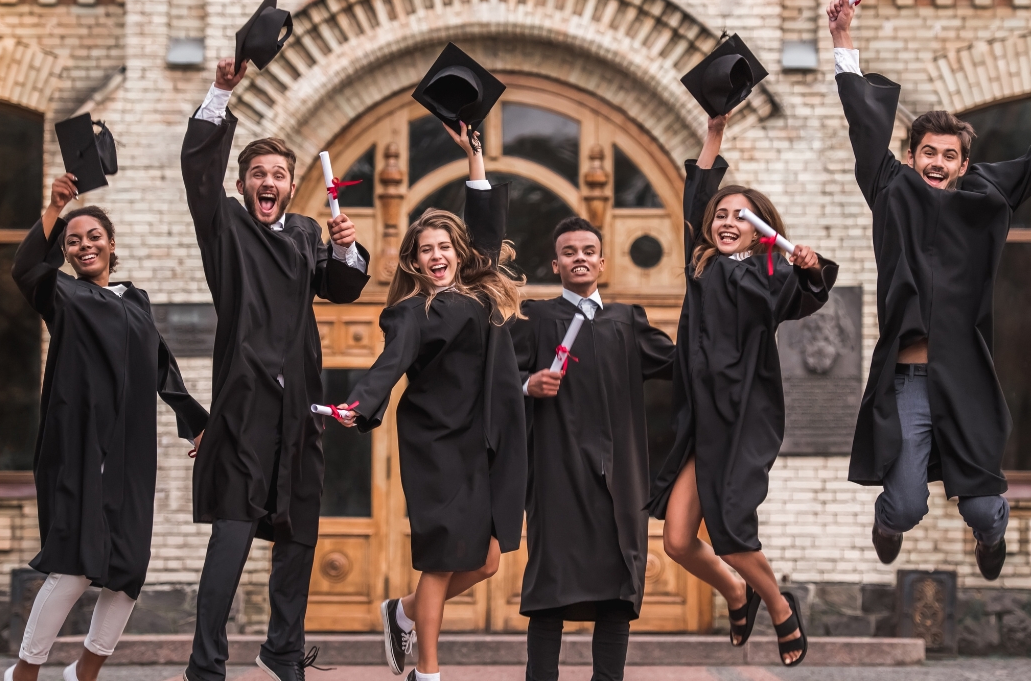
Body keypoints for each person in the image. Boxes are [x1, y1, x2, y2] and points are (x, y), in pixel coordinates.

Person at [826, 0, 1031, 580]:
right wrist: (843, 42)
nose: (936, 161)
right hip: (907, 378)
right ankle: (887, 520)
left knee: (981, 502)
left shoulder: (986, 199)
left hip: (966, 375)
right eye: (926, 152)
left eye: (948, 155)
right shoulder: (890, 191)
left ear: (962, 165)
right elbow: (862, 127)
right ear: (910, 157)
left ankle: (991, 533)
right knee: (905, 504)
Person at [175, 57, 371, 681]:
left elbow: (343, 289)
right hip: (243, 409)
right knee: (231, 538)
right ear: (242, 186)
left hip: (301, 411)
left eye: (278, 175)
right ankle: (206, 666)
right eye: (257, 173)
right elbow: (198, 172)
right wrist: (220, 92)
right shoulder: (226, 227)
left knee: (298, 539)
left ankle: (283, 652)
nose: (268, 181)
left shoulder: (307, 232)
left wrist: (344, 244)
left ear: (291, 187)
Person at [333, 120, 526, 681]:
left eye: (444, 246)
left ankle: (405, 612)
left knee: (488, 560)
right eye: (426, 250)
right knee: (442, 560)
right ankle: (429, 671)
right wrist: (358, 403)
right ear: (415, 261)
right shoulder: (412, 311)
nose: (437, 255)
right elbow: (389, 365)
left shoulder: (480, 289)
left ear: (456, 252)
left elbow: (487, 225)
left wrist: (476, 160)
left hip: (488, 438)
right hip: (438, 444)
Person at [645, 113, 837, 668]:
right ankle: (737, 591)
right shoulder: (700, 265)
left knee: (730, 531)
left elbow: (810, 292)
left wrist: (808, 267)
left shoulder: (770, 274)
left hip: (743, 417)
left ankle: (779, 606)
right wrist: (714, 134)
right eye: (720, 215)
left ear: (759, 229)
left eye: (740, 216)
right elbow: (698, 193)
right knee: (678, 541)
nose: (727, 220)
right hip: (701, 422)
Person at [7, 174, 209, 681]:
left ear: (111, 244)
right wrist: (56, 208)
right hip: (80, 445)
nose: (84, 245)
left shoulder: (134, 300)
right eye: (74, 241)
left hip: (131, 451)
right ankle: (24, 674)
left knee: (127, 567)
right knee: (76, 563)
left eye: (93, 236)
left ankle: (85, 672)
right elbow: (27, 267)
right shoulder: (63, 297)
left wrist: (197, 426)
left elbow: (164, 366)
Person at [511, 216, 675, 681]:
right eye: (568, 252)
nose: (578, 257)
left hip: (619, 477)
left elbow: (682, 365)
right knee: (549, 591)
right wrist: (527, 384)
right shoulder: (536, 319)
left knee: (617, 593)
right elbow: (493, 378)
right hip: (557, 474)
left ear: (602, 261)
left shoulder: (626, 319)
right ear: (555, 264)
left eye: (587, 250)